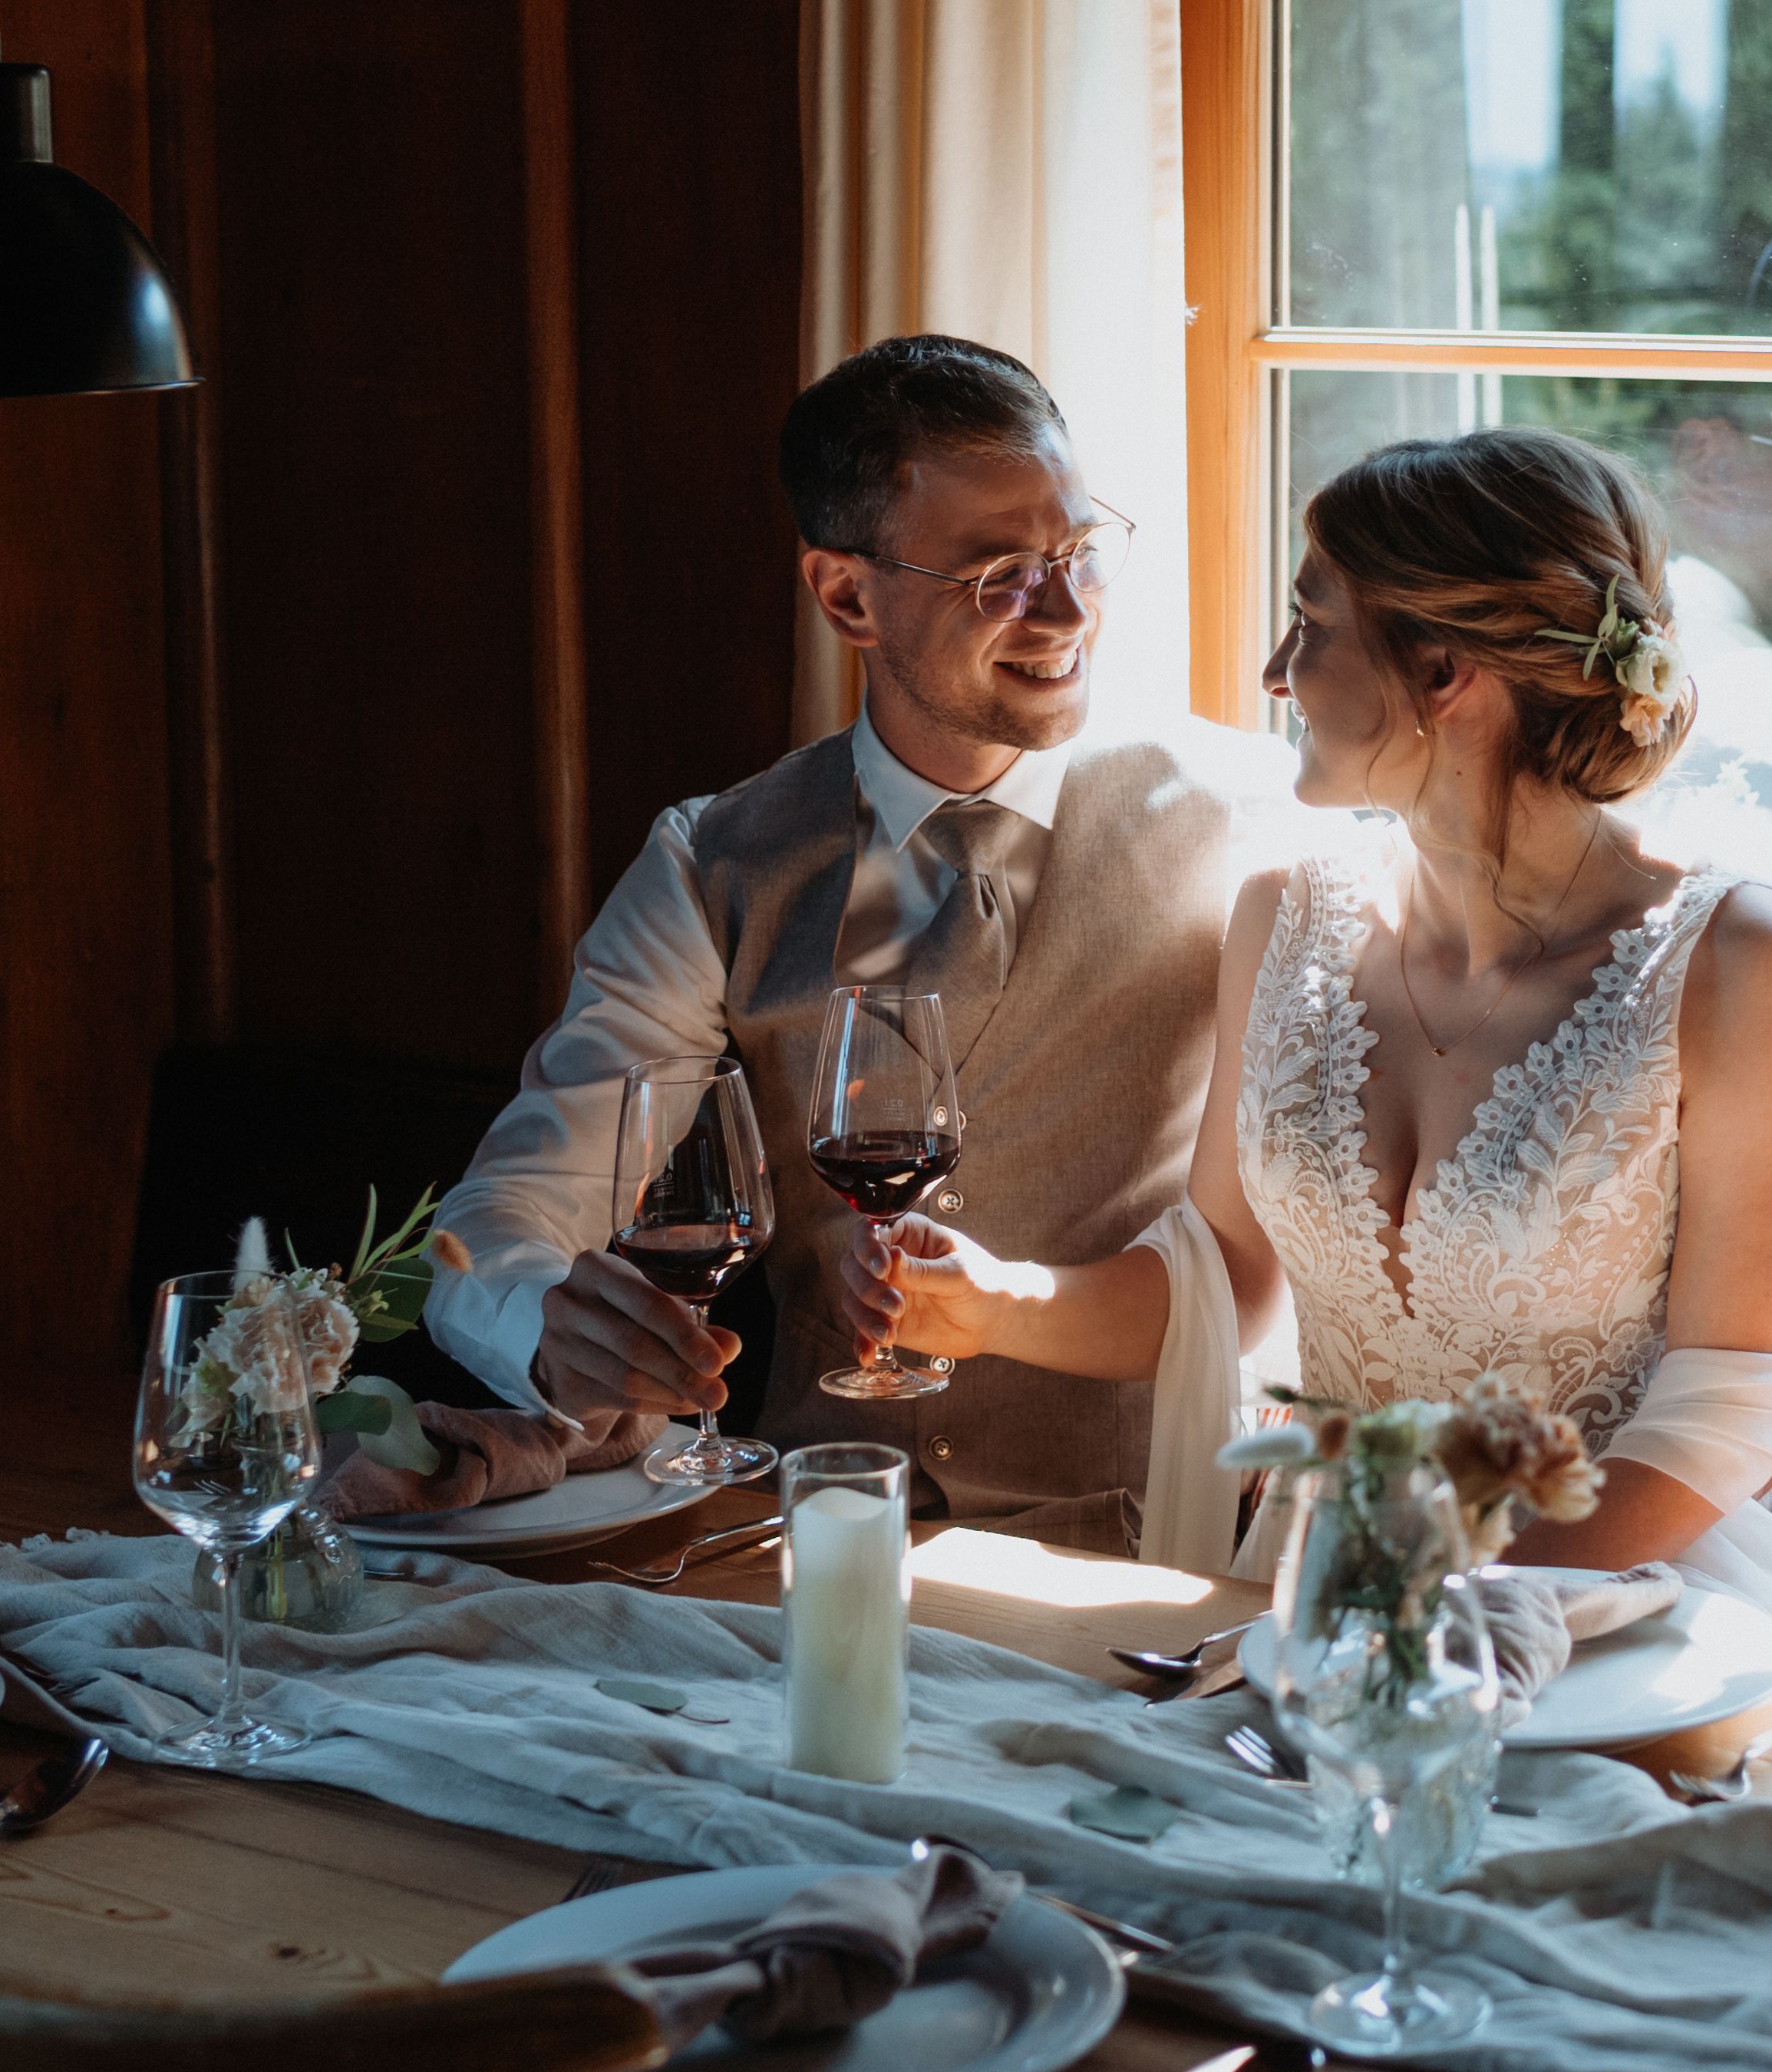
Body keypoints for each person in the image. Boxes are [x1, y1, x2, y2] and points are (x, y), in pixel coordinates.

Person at [878, 424, 1772, 1662]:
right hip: (1330, 1601)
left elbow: (1726, 1413)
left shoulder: (1737, 962)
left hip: (1629, 1605)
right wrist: (992, 1304)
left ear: (1445, 669)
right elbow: (1223, 1274)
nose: (1274, 672)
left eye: (1311, 625)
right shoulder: (1281, 918)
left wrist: (1411, 1617)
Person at [423, 335, 1281, 1523]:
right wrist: (542, 1327)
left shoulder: (1252, 820)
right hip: (809, 1534)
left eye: (1079, 550)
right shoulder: (714, 861)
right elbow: (499, 1220)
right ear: (846, 595)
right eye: (1000, 575)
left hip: (1143, 1543)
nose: (1067, 608)